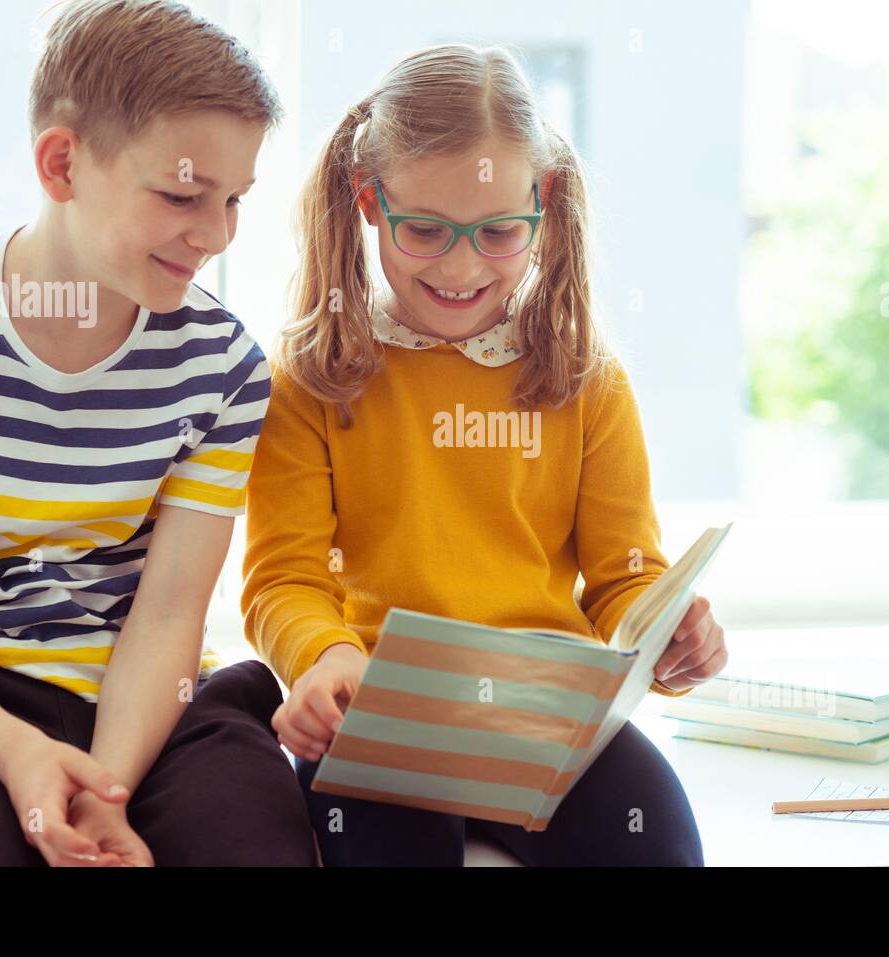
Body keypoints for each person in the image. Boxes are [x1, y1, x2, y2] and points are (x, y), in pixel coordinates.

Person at [0, 0, 315, 866]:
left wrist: (107, 789)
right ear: (62, 164)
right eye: (181, 195)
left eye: (235, 200)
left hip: (160, 707)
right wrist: (21, 755)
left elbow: (168, 615)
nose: (214, 235)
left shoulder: (225, 367)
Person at [241, 43, 727, 866]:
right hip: (379, 714)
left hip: (546, 722)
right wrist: (324, 659)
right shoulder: (314, 378)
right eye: (425, 230)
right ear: (368, 202)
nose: (462, 267)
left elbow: (624, 573)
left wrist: (667, 631)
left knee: (658, 844)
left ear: (542, 207)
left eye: (499, 232)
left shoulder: (586, 382)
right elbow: (284, 578)